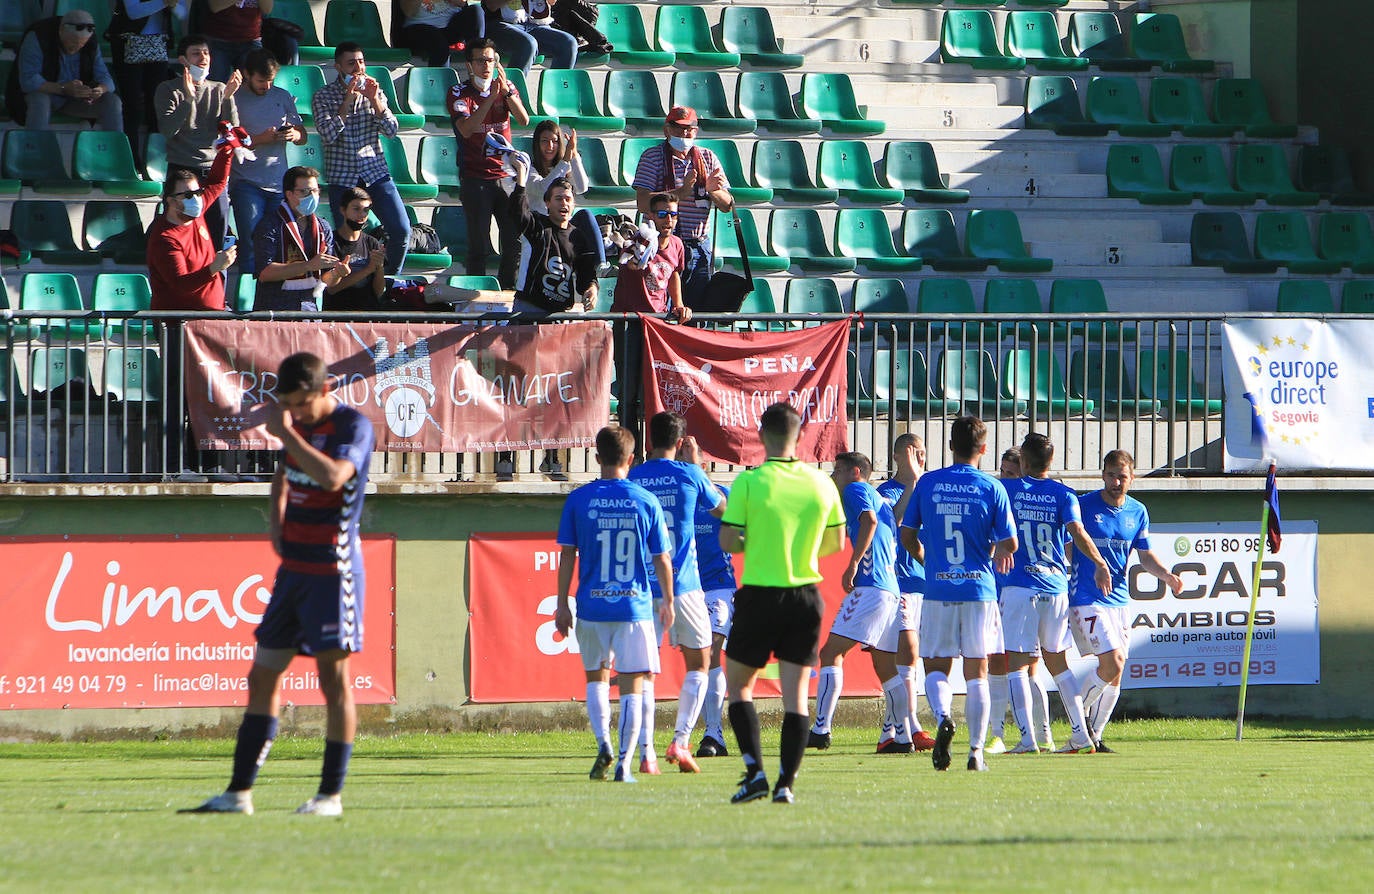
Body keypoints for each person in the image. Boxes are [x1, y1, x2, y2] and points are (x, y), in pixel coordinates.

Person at [182, 351, 375, 816]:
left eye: (303, 405)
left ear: (324, 390)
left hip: (334, 568)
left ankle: (330, 796)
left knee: (334, 680)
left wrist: (286, 432)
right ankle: (238, 793)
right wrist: (277, 529)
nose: (297, 413)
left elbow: (332, 478)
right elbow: (282, 479)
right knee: (263, 673)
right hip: (295, 571)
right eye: (289, 405)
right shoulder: (296, 425)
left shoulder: (353, 427)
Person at [719, 403, 844, 805]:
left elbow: (728, 540)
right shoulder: (821, 483)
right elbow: (837, 543)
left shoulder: (749, 483)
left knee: (739, 686)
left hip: (759, 592)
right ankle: (785, 785)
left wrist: (756, 541)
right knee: (797, 697)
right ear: (800, 435)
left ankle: (754, 771)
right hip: (805, 594)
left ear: (761, 435)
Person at [554, 425, 675, 784]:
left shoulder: (579, 499)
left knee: (596, 679)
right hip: (633, 608)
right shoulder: (645, 500)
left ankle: (603, 743)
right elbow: (662, 558)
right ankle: (624, 763)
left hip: (591, 607)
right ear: (631, 459)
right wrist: (667, 600)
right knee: (633, 684)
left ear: (596, 457)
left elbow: (566, 556)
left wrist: (562, 604)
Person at [899, 416, 1017, 773]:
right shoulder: (991, 486)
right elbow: (1010, 542)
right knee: (977, 671)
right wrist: (990, 554)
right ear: (983, 449)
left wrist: (928, 559)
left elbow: (907, 535)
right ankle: (976, 753)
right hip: (979, 590)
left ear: (950, 446)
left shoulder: (929, 483)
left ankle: (943, 716)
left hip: (937, 588)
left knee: (935, 666)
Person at [1000, 433, 1113, 755]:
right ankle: (1080, 735)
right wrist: (1099, 562)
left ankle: (1027, 739)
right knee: (1058, 664)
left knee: (1017, 665)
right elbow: (1077, 533)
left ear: (1022, 460)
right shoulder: (1064, 494)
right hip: (1055, 586)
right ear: (1051, 462)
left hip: (1021, 586)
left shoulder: (1008, 489)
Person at [627, 414, 725, 776]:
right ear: (682, 441)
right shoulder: (690, 473)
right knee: (699, 665)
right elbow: (723, 510)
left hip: (642, 588)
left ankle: (646, 752)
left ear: (649, 440)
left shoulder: (634, 476)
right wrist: (695, 463)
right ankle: (681, 741)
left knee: (643, 673)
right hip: (683, 587)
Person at [1070, 450, 1184, 752]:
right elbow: (1068, 547)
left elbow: (1144, 556)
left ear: (1132, 478)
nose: (1115, 482)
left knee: (1117, 672)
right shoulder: (1083, 506)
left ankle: (1092, 736)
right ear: (1102, 475)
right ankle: (1077, 717)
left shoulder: (1138, 512)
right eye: (1110, 475)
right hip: (1087, 598)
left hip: (1119, 600)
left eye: (1122, 476)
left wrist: (1168, 577)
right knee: (1113, 661)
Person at [808, 452, 908, 755]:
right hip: (890, 589)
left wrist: (853, 563)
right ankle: (902, 737)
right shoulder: (880, 499)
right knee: (886, 666)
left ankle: (820, 729)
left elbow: (869, 520)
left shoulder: (857, 489)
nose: (833, 476)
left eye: (837, 470)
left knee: (830, 653)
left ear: (854, 472)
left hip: (871, 586)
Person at [312, 43, 411, 275]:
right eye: (351, 63)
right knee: (345, 240)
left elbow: (391, 130)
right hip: (343, 178)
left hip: (374, 171)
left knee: (401, 230)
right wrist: (347, 101)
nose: (358, 68)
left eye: (361, 62)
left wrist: (375, 100)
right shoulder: (323, 96)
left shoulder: (375, 91)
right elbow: (327, 134)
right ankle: (348, 289)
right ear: (338, 67)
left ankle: (388, 281)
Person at [630, 106, 734, 311]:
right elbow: (642, 203)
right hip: (663, 247)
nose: (684, 134)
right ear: (666, 130)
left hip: (698, 246)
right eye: (677, 128)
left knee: (696, 311)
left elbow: (727, 205)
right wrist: (681, 192)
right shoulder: (653, 157)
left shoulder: (708, 158)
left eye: (689, 129)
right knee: (662, 308)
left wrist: (714, 191)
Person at [611, 191, 690, 453]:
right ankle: (629, 454)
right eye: (663, 214)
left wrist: (678, 304)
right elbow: (630, 264)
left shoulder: (677, 244)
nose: (669, 219)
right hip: (629, 322)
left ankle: (653, 452)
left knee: (652, 393)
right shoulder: (638, 240)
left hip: (656, 326)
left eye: (673, 214)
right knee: (628, 392)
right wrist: (636, 251)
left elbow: (675, 274)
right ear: (651, 216)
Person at [448, 40, 530, 288]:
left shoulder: (506, 87)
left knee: (514, 241)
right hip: (475, 178)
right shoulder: (458, 92)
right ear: (469, 65)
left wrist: (504, 93)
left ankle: (507, 293)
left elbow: (523, 119)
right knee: (479, 245)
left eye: (491, 60)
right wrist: (490, 98)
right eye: (481, 60)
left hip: (506, 176)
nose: (486, 66)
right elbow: (467, 129)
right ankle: (476, 295)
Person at [874, 433, 936, 753]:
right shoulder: (886, 492)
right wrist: (912, 483)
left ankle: (897, 728)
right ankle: (910, 726)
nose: (920, 459)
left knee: (913, 658)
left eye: (923, 454)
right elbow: (894, 523)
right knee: (907, 651)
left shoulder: (930, 490)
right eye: (914, 454)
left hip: (925, 583)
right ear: (899, 457)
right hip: (899, 582)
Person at [155, 34, 240, 250]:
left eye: (206, 53)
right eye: (196, 53)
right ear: (183, 60)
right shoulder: (168, 89)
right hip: (182, 171)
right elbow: (167, 130)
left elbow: (232, 132)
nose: (203, 57)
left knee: (216, 237)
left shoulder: (219, 89)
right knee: (179, 234)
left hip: (212, 173)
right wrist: (189, 99)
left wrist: (229, 99)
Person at [680, 436, 735, 759]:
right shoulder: (673, 495)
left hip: (718, 587)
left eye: (692, 458)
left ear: (704, 465)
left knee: (712, 652)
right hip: (686, 588)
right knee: (697, 659)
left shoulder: (721, 496)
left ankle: (713, 734)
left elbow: (735, 524)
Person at [228, 48, 306, 273]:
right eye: (262, 81)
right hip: (246, 183)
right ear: (247, 74)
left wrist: (294, 135)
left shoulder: (282, 96)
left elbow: (302, 136)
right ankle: (249, 299)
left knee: (280, 244)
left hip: (279, 183)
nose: (267, 86)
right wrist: (261, 139)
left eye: (270, 81)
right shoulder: (234, 99)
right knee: (251, 242)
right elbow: (227, 141)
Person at [507, 158, 599, 316]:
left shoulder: (578, 236)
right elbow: (517, 211)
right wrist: (522, 177)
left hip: (559, 313)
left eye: (568, 199)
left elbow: (586, 272)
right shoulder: (536, 225)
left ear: (573, 205)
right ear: (547, 203)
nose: (564, 203)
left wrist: (592, 288)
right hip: (529, 308)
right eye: (558, 199)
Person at [253, 165, 346, 312]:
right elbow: (265, 273)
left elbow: (326, 279)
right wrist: (308, 265)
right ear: (289, 194)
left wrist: (338, 274)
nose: (312, 196)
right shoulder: (270, 225)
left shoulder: (323, 227)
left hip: (310, 311)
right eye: (304, 192)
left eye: (315, 191)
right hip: (275, 311)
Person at [11, 10, 123, 132]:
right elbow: (28, 81)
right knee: (40, 100)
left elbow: (106, 79)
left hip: (73, 99)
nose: (76, 47)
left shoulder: (90, 44)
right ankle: (36, 146)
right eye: (73, 42)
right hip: (43, 94)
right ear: (61, 31)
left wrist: (99, 90)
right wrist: (63, 88)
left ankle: (115, 147)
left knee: (112, 101)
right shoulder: (37, 37)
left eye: (81, 44)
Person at [108, 0, 186, 169]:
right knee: (133, 107)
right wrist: (164, 2)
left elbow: (182, 13)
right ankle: (131, 162)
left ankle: (155, 163)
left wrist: (172, 5)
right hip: (127, 46)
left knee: (157, 106)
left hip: (158, 47)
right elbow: (133, 12)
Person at [984, 445, 1020, 755]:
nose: (1005, 479)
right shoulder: (993, 498)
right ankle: (996, 732)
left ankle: (1034, 733)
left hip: (1022, 589)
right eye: (1003, 472)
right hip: (992, 588)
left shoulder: (1035, 500)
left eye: (1012, 474)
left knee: (1026, 664)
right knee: (994, 658)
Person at [473, 0, 577, 76]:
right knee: (528, 44)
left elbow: (551, 2)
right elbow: (492, 5)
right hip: (501, 25)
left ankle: (559, 98)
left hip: (535, 24)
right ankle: (510, 96)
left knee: (568, 43)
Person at [201, 0, 294, 84]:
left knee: (257, 81)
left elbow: (267, 9)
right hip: (218, 40)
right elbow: (215, 6)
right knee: (215, 85)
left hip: (250, 41)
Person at [326, 187, 389, 311]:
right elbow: (331, 289)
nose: (361, 215)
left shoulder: (372, 243)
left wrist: (379, 267)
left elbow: (379, 292)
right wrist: (368, 269)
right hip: (338, 314)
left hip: (367, 315)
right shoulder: (331, 242)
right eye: (356, 209)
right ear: (343, 210)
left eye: (366, 210)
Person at [526, 120, 587, 216]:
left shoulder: (564, 167)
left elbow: (581, 188)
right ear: (537, 143)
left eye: (554, 141)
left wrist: (574, 154)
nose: (550, 146)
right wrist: (565, 160)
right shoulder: (528, 169)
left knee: (585, 214)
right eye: (544, 141)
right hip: (541, 223)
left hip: (563, 223)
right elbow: (544, 190)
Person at [396, 0, 480, 68]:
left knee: (476, 10)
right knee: (438, 42)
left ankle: (479, 60)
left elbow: (462, 3)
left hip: (449, 26)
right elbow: (409, 11)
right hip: (417, 28)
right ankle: (439, 85)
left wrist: (462, 3)